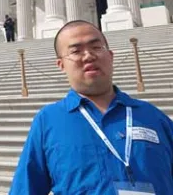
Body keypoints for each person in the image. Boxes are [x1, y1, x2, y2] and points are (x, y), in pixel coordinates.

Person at [9, 20, 173, 195]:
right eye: (75, 51)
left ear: (110, 56)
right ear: (61, 65)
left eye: (96, 47)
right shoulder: (48, 121)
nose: (88, 56)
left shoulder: (153, 117)